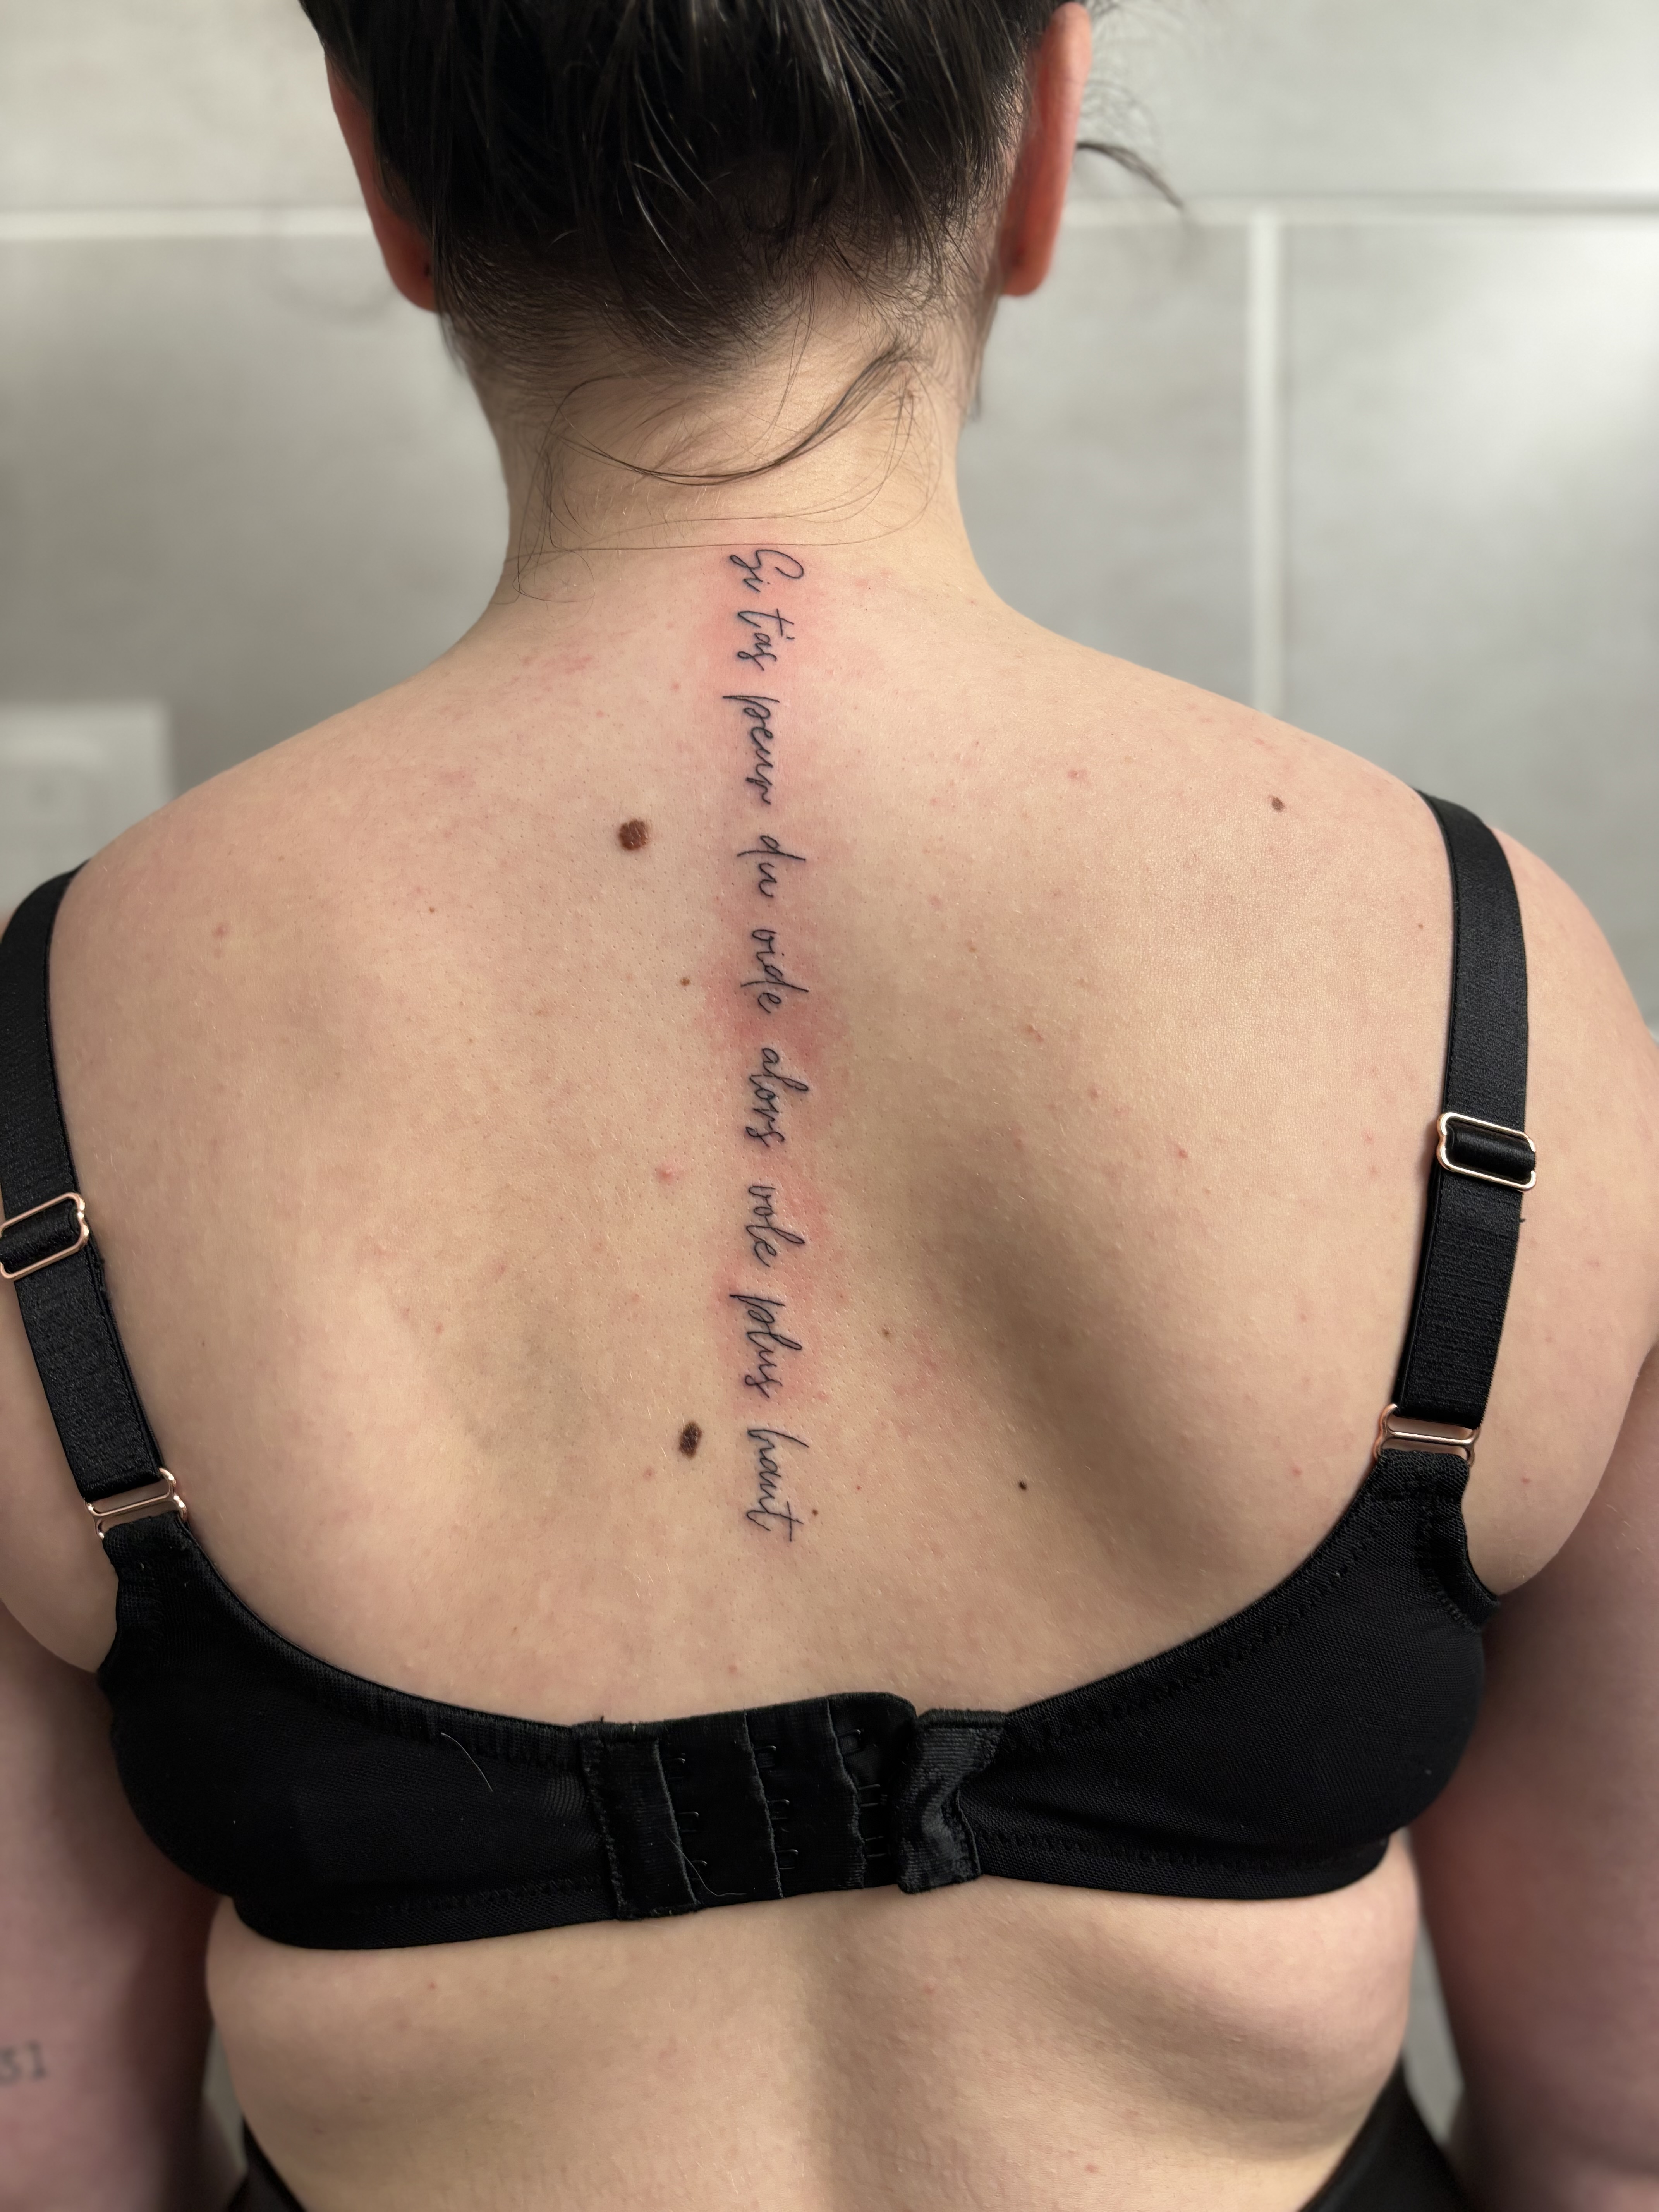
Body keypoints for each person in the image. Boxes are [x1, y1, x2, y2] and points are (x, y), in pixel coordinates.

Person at [2, 3, 1656, 2207]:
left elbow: (52, 2150)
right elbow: (1618, 2140)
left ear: (387, 178)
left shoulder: (64, 1043)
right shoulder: (1491, 985)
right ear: (1042, 138)